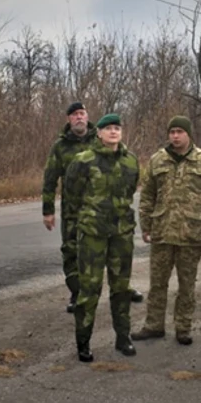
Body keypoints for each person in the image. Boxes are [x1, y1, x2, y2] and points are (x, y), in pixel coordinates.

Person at [131, 116, 201, 345]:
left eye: (179, 131)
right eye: (172, 131)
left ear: (189, 134)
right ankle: (154, 325)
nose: (175, 136)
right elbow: (147, 197)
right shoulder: (157, 160)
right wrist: (146, 225)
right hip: (162, 232)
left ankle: (183, 327)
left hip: (190, 234)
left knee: (187, 286)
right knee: (157, 284)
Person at [42, 102, 143, 313]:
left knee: (116, 249)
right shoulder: (60, 147)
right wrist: (48, 210)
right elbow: (50, 179)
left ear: (88, 117)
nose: (79, 117)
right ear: (69, 119)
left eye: (82, 113)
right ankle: (77, 292)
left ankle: (122, 288)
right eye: (75, 114)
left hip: (104, 209)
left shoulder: (100, 139)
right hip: (73, 210)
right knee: (72, 250)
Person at [64, 113, 140, 362]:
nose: (113, 132)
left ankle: (123, 337)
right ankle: (83, 342)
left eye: (117, 128)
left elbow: (130, 193)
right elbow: (72, 198)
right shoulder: (83, 161)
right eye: (108, 128)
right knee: (89, 290)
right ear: (98, 133)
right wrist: (78, 230)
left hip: (121, 235)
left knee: (121, 287)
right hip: (92, 235)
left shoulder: (131, 161)